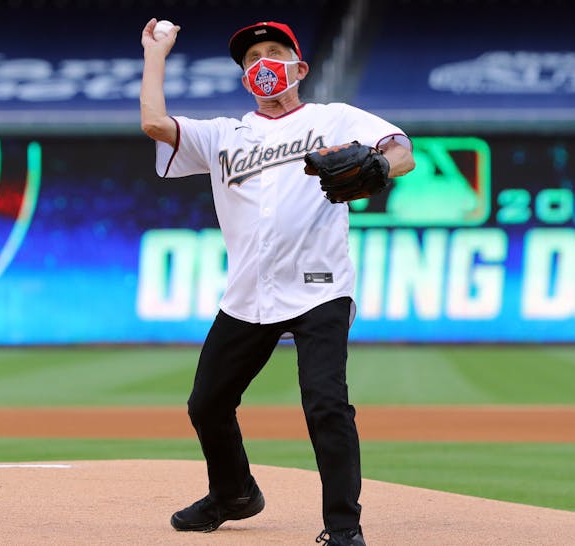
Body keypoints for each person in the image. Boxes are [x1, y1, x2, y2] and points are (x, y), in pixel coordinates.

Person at [139, 18, 415, 546]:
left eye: (273, 51)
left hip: (321, 288)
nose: (262, 63)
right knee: (207, 404)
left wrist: (380, 164)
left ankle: (343, 528)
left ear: (300, 68)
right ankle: (234, 494)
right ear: (245, 77)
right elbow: (155, 123)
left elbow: (402, 149)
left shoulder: (333, 119)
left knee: (325, 404)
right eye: (251, 59)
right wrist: (156, 53)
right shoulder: (223, 134)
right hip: (249, 293)